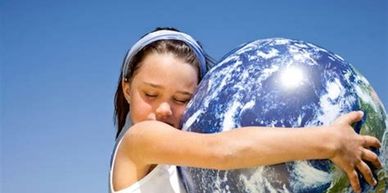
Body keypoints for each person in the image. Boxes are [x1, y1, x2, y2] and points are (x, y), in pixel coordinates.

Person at [109, 27, 382, 193]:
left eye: (182, 99)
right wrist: (329, 142)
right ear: (127, 89)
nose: (165, 109)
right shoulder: (140, 139)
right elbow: (220, 151)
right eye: (151, 94)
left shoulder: (185, 161)